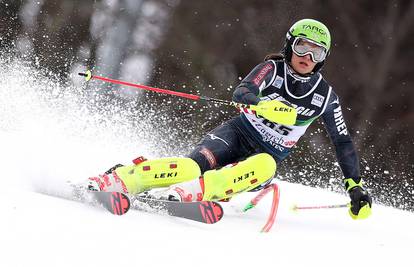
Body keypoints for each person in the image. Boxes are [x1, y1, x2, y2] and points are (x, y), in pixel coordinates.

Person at [88, 18, 372, 220]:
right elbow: (243, 91)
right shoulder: (272, 69)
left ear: (324, 57)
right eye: (302, 47)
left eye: (316, 51)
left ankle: (195, 192)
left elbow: (342, 141)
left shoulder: (325, 96)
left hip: (264, 155)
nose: (307, 56)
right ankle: (121, 179)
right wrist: (262, 104)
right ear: (289, 46)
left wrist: (355, 186)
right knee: (190, 167)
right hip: (236, 134)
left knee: (266, 165)